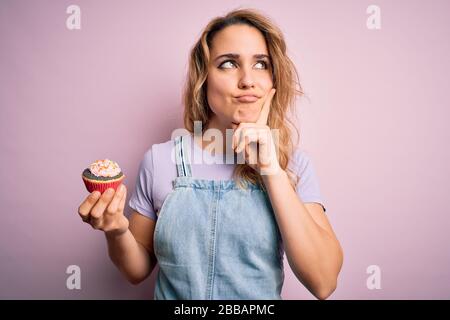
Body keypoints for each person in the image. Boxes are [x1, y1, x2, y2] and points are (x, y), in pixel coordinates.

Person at [77, 8, 343, 300]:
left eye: (261, 64)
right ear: (203, 80)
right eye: (228, 63)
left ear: (273, 80)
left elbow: (323, 282)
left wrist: (270, 169)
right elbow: (136, 270)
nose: (247, 80)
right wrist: (115, 231)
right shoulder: (161, 160)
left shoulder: (292, 166)